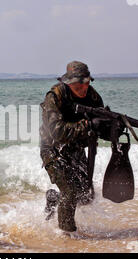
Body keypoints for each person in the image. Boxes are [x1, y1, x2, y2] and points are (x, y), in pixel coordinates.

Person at [40, 61, 108, 233]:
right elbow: (56, 131)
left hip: (76, 149)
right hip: (53, 149)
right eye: (78, 84)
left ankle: (54, 198)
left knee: (86, 195)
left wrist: (111, 127)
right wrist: (87, 125)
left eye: (86, 83)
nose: (83, 87)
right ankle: (66, 234)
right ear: (69, 82)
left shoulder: (92, 97)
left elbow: (101, 124)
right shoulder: (55, 96)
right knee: (70, 192)